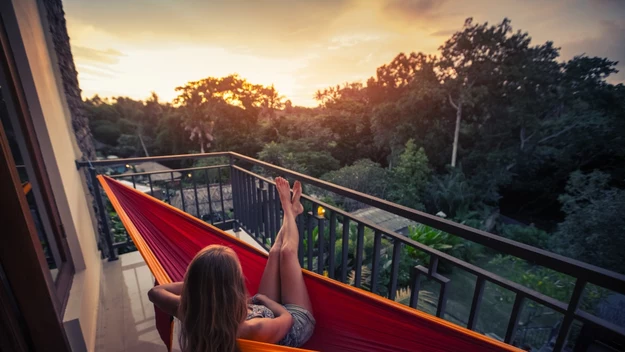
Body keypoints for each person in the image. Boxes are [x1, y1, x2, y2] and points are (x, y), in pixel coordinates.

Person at [148, 177, 315, 352]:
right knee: (287, 253)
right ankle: (289, 210)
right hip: (294, 325)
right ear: (231, 286)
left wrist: (201, 287)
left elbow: (155, 292)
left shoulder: (191, 311)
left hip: (258, 309)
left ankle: (292, 211)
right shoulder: (252, 328)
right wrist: (264, 299)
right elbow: (286, 318)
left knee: (274, 253)